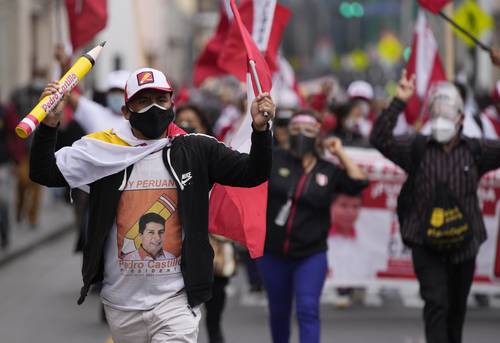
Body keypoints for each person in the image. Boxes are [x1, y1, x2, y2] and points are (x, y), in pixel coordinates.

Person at [29, 67, 275, 343]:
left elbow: (254, 172)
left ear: (172, 103)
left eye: (161, 100)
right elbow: (44, 173)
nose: (154, 108)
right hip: (121, 304)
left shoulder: (196, 149)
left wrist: (261, 130)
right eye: (143, 102)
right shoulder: (103, 151)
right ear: (126, 111)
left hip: (176, 301)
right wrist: (49, 126)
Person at [370, 70, 500, 343]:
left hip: (465, 245)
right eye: (437, 111)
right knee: (436, 304)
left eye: (448, 111)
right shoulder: (416, 147)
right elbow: (380, 139)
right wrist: (399, 101)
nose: (442, 117)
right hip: (425, 243)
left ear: (461, 118)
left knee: (456, 308)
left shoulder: (476, 150)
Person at [257, 110, 368, 343]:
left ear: (318, 135)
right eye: (296, 130)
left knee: (307, 309)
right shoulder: (274, 158)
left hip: (310, 254)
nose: (301, 135)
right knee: (278, 313)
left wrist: (339, 152)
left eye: (308, 131)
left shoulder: (327, 169)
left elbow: (359, 182)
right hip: (273, 253)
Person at [174, 103, 236, 343]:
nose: (187, 126)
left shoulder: (213, 152)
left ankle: (215, 329)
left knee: (216, 291)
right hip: (182, 235)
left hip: (215, 235)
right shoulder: (167, 155)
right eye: (182, 122)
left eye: (193, 122)